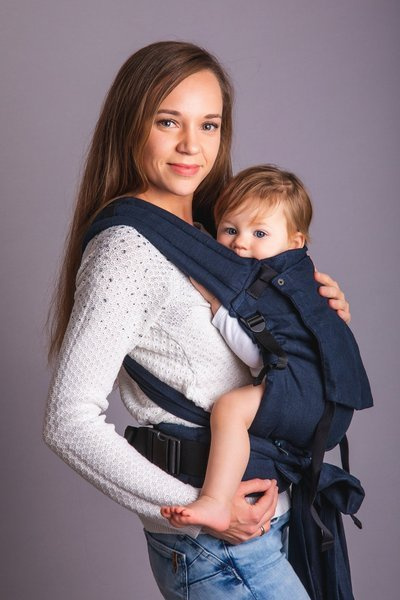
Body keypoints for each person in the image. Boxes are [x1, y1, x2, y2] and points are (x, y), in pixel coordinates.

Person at [43, 41, 350, 599]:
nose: (192, 145)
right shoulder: (126, 251)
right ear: (131, 126)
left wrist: (321, 324)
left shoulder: (218, 234)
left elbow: (262, 359)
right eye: (168, 122)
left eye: (209, 125)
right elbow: (69, 422)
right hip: (219, 545)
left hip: (275, 516)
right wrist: (202, 508)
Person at [160, 164, 314, 532]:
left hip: (301, 390)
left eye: (259, 233)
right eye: (230, 230)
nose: (241, 242)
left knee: (229, 408)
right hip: (304, 393)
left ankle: (215, 501)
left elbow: (264, 354)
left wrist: (217, 306)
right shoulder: (279, 275)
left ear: (295, 242)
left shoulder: (279, 285)